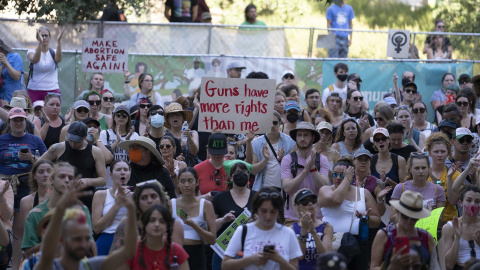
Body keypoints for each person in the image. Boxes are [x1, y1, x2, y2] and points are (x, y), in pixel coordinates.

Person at [33, 176, 137, 270]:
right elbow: (47, 252)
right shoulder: (49, 266)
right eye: (77, 239)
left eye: (87, 239)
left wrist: (131, 210)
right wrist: (61, 207)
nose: (83, 244)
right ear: (61, 239)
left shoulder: (91, 265)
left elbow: (128, 252)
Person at [0, 107, 45, 263]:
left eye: (21, 120)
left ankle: (16, 266)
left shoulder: (35, 140)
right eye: (15, 120)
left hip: (26, 184)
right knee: (3, 226)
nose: (18, 123)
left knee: (19, 229)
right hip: (4, 186)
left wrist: (32, 158)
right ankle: (4, 260)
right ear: (9, 122)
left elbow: (47, 164)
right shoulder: (1, 139)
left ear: (26, 122)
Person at [319, 158, 381, 270]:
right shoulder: (325, 190)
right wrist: (347, 178)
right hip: (332, 240)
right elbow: (337, 200)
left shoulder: (363, 193)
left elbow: (376, 221)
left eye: (342, 175)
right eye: (335, 174)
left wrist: (366, 218)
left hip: (358, 242)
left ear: (351, 175)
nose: (338, 178)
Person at [21, 162, 93, 257]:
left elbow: (90, 245)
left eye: (70, 178)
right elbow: (28, 252)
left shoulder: (82, 210)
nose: (67, 180)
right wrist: (56, 240)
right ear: (51, 180)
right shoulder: (35, 214)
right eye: (62, 176)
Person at [222, 186, 303, 270]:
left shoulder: (288, 233)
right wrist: (251, 259)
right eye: (263, 211)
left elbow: (295, 268)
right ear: (256, 210)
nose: (268, 216)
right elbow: (225, 265)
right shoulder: (243, 231)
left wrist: (279, 259)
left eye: (273, 212)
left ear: (279, 212)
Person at [38, 121, 107, 210]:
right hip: (60, 198)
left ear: (85, 137)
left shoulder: (96, 152)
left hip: (84, 200)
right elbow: (39, 164)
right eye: (71, 140)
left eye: (77, 141)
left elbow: (103, 180)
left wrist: (87, 181)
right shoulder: (58, 148)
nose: (73, 144)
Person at [109, 181, 184, 254]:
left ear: (161, 200)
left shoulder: (173, 224)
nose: (149, 201)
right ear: (138, 202)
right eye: (144, 198)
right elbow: (113, 260)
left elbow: (176, 258)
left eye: (153, 196)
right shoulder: (127, 224)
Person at [371, 190, 435, 269]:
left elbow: (436, 266)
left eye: (414, 218)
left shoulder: (426, 237)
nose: (409, 221)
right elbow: (373, 267)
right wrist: (391, 266)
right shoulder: (384, 235)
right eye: (405, 216)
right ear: (398, 212)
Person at [281, 122, 329, 226]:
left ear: (313, 138)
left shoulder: (322, 160)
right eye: (299, 135)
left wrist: (312, 169)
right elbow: (287, 188)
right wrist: (305, 170)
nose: (302, 138)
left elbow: (324, 188)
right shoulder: (287, 159)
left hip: (316, 218)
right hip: (292, 218)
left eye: (306, 135)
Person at [211, 162, 256, 269]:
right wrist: (222, 220)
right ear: (230, 178)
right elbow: (211, 229)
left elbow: (267, 225)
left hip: (251, 252)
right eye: (237, 172)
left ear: (248, 177)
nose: (241, 174)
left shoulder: (257, 197)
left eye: (244, 172)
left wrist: (257, 221)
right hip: (223, 252)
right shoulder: (220, 198)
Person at [171, 167, 216, 270]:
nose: (186, 185)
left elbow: (213, 239)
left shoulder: (206, 205)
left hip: (197, 253)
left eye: (190, 181)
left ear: (197, 183)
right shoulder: (171, 204)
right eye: (182, 181)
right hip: (175, 253)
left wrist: (193, 224)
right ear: (178, 183)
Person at [127, 204, 190, 269]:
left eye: (162, 221)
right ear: (144, 224)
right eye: (152, 220)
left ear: (167, 226)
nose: (157, 224)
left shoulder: (177, 251)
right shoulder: (132, 249)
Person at [16, 160, 53, 270]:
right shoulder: (26, 201)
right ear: (34, 176)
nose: (45, 175)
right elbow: (28, 233)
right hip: (36, 250)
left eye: (49, 171)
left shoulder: (60, 199)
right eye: (41, 172)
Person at [390, 152, 446, 223]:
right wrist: (412, 211)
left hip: (428, 231)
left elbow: (440, 221)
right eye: (416, 168)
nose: (421, 171)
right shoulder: (401, 188)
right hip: (406, 231)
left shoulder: (438, 189)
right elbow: (392, 218)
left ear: (429, 168)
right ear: (410, 169)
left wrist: (428, 213)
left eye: (423, 168)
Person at [92, 159, 132, 255]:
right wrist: (117, 204)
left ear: (129, 174)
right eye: (118, 170)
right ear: (111, 175)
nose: (122, 172)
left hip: (128, 240)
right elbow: (96, 228)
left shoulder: (136, 196)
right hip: (106, 240)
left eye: (126, 170)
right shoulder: (101, 194)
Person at [250, 111, 296, 191]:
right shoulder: (256, 143)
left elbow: (293, 169)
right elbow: (253, 171)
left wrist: (282, 160)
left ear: (280, 123)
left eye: (275, 122)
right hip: (261, 189)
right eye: (268, 123)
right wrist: (265, 160)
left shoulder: (291, 142)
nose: (272, 126)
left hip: (282, 190)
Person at [291, 188, 333, 269]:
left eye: (313, 200)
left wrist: (313, 232)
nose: (310, 203)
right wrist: (303, 231)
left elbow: (325, 256)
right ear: (297, 207)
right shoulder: (292, 229)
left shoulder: (326, 227)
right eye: (304, 202)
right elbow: (300, 256)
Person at [425, 132, 461, 223]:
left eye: (443, 151)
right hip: (427, 222)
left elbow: (453, 201)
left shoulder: (455, 174)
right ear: (429, 153)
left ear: (448, 153)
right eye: (436, 152)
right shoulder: (423, 173)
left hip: (449, 222)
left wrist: (449, 178)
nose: (439, 155)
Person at [443, 186, 480, 270]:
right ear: (460, 202)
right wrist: (457, 238)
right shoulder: (450, 227)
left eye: (477, 201)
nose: (473, 204)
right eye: (469, 200)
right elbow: (449, 265)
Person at [26, 26, 64, 103]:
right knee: (33, 113)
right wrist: (40, 43)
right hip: (34, 90)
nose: (43, 38)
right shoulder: (31, 51)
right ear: (37, 38)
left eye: (46, 35)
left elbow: (58, 59)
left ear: (49, 37)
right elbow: (35, 60)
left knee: (53, 112)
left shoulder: (54, 52)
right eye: (41, 36)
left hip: (52, 89)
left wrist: (59, 41)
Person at [370, 128, 407, 203]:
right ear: (374, 143)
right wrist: (379, 184)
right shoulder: (370, 161)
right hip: (376, 205)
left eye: (383, 139)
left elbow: (404, 190)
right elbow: (367, 188)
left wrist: (390, 182)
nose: (381, 141)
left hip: (395, 204)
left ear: (389, 140)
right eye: (377, 140)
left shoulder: (400, 160)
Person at [194, 132, 229, 198]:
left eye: (220, 152)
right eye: (214, 153)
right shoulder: (197, 169)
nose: (217, 155)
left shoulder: (234, 167)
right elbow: (192, 199)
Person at [164, 102, 199, 167]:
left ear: (183, 118)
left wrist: (189, 138)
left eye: (178, 114)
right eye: (171, 115)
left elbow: (194, 152)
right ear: (168, 120)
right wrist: (176, 159)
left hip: (191, 170)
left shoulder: (193, 133)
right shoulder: (165, 136)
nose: (175, 117)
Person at [0, 38, 23, 103]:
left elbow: (16, 77)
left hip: (14, 97)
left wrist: (6, 63)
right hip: (1, 98)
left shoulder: (15, 57)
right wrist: (2, 67)